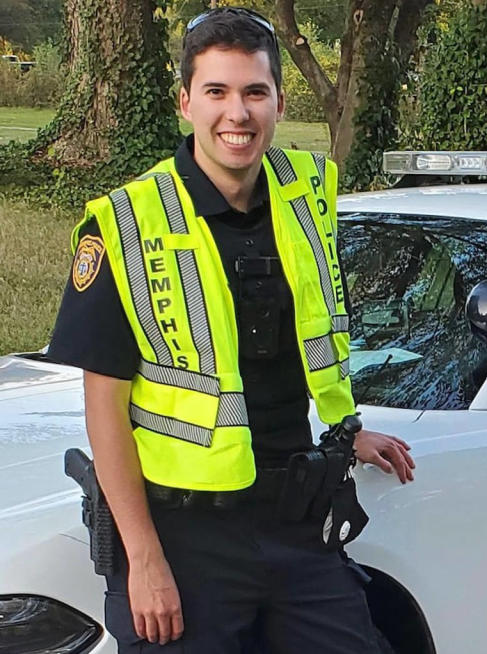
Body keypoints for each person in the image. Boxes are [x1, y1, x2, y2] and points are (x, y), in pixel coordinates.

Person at [46, 7, 415, 652]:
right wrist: (145, 561)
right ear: (186, 101)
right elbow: (103, 413)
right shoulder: (128, 224)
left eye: (254, 92)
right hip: (186, 540)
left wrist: (346, 432)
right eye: (216, 92)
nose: (236, 113)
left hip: (297, 519)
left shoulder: (305, 198)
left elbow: (297, 345)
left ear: (276, 100)